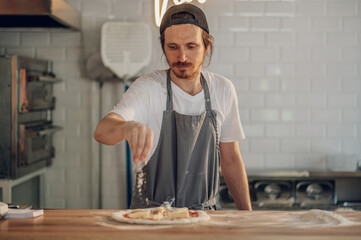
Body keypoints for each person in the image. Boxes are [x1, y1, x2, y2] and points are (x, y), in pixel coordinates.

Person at [94, 3, 252, 210]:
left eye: (191, 46)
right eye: (173, 47)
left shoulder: (222, 89)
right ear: (164, 47)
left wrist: (247, 215)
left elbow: (230, 159)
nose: (182, 57)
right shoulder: (148, 88)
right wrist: (125, 127)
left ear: (206, 46)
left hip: (206, 219)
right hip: (152, 218)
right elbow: (102, 132)